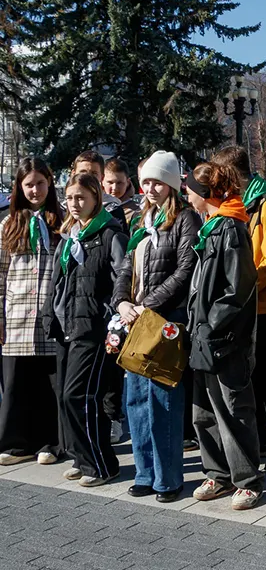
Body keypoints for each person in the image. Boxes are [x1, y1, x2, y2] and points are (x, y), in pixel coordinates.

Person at [111, 151, 201, 503]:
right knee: (135, 399)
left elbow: (185, 270)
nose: (150, 188)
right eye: (146, 181)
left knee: (163, 401)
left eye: (157, 181)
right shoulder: (140, 222)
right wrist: (122, 302)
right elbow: (124, 269)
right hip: (134, 320)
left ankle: (168, 479)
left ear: (172, 185)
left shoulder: (184, 219)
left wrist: (146, 304)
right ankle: (145, 473)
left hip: (165, 321)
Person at [184, 161, 263, 511]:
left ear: (204, 193)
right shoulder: (212, 227)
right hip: (203, 334)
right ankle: (217, 473)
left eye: (189, 190)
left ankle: (247, 480)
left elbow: (239, 286)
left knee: (233, 407)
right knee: (203, 410)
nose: (186, 197)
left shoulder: (230, 228)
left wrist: (211, 325)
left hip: (223, 337)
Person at [211, 145, 266, 475]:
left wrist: (235, 293)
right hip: (245, 306)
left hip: (265, 307)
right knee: (252, 380)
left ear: (234, 176)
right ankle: (259, 439)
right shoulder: (238, 206)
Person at [43, 172, 127, 487]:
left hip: (95, 329)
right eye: (70, 199)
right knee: (67, 397)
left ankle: (102, 464)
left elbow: (123, 278)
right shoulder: (71, 237)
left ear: (96, 198)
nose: (75, 204)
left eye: (81, 198)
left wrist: (111, 315)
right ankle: (82, 457)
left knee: (80, 396)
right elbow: (60, 282)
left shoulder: (109, 234)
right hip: (68, 327)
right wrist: (49, 313)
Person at [0, 158, 64, 466]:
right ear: (20, 188)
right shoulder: (8, 224)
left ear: (49, 183)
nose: (35, 190)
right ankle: (15, 443)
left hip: (51, 315)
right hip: (17, 316)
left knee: (48, 385)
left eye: (40, 183)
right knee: (15, 384)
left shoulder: (61, 221)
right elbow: (1, 273)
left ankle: (49, 443)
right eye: (29, 185)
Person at [72, 150, 128, 445]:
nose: (91, 178)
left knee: (108, 372)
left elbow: (120, 263)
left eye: (95, 174)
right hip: (77, 310)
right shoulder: (71, 213)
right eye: (84, 172)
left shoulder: (113, 214)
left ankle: (112, 417)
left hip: (104, 308)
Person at [104, 157, 141, 227]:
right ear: (102, 181)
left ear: (128, 182)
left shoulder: (136, 211)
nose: (114, 188)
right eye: (110, 182)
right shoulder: (94, 206)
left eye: (119, 183)